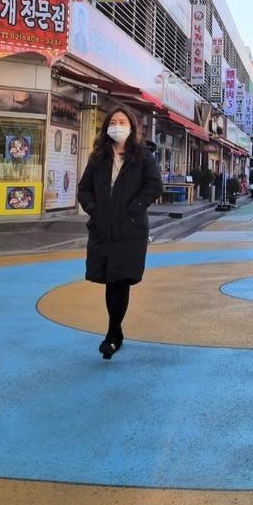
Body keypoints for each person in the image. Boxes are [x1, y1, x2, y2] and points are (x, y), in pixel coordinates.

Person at [78, 106, 163, 360]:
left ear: (132, 127)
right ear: (106, 127)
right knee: (110, 280)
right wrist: (93, 209)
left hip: (130, 230)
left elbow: (154, 185)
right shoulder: (98, 157)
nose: (117, 126)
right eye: (113, 122)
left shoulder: (142, 156)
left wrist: (135, 207)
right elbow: (84, 188)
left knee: (121, 281)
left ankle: (111, 335)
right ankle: (116, 332)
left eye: (122, 122)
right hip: (103, 229)